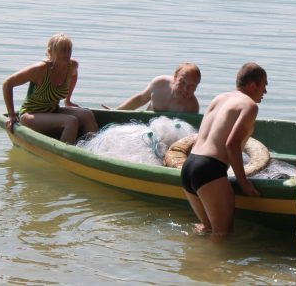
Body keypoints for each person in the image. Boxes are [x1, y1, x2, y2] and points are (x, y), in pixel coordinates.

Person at [180, 62, 267, 239]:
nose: (265, 91)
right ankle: (212, 266)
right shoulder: (249, 106)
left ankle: (191, 263)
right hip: (209, 169)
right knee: (223, 233)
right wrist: (244, 183)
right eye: (264, 85)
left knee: (207, 227)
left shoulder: (219, 98)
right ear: (252, 85)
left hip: (190, 165)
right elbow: (231, 145)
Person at [2, 33, 98, 144]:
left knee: (87, 114)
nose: (67, 53)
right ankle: (64, 155)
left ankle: (94, 149)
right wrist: (11, 115)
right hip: (31, 115)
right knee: (71, 121)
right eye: (63, 50)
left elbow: (73, 75)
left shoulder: (72, 66)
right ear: (51, 52)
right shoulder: (40, 69)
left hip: (53, 110)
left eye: (69, 49)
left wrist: (67, 100)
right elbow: (7, 84)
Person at [103, 63, 201, 113]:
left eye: (191, 86)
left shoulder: (192, 107)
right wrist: (117, 111)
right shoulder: (159, 84)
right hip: (146, 127)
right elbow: (141, 99)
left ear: (196, 87)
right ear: (175, 78)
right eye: (182, 82)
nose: (185, 89)